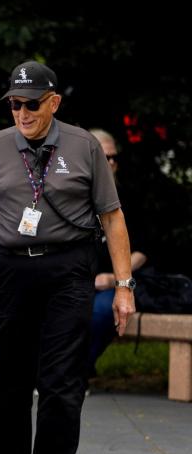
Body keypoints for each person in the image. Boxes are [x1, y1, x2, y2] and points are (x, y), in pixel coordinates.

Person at [0, 61, 136, 454]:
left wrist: (123, 287)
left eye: (31, 103)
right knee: (11, 380)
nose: (21, 112)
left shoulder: (83, 146)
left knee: (63, 382)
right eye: (15, 103)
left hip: (68, 268)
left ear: (53, 102)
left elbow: (112, 216)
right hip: (12, 269)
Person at [86, 129, 147, 379]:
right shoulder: (71, 196)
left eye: (114, 158)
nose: (111, 163)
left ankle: (76, 371)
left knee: (100, 311)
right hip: (74, 281)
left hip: (115, 284)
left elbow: (143, 251)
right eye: (105, 157)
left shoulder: (130, 197)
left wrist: (113, 278)